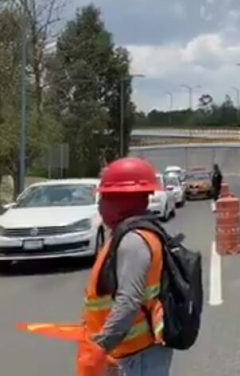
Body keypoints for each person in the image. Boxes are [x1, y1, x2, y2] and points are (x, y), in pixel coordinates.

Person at [78, 157, 173, 376]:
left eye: (104, 198)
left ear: (122, 201)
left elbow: (129, 301)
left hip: (138, 354)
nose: (100, 205)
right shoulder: (129, 234)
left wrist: (101, 347)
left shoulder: (134, 240)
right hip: (132, 352)